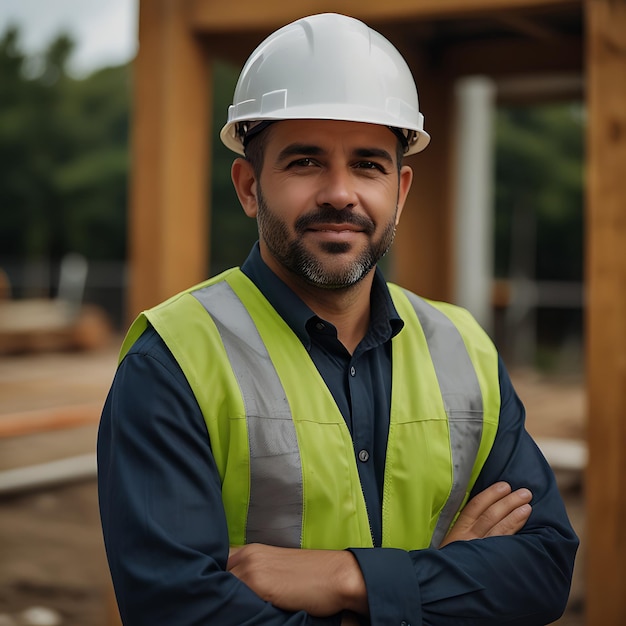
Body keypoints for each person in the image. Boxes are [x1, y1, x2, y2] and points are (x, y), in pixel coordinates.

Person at [97, 12, 578, 626]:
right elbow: (181, 611)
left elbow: (541, 571)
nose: (340, 193)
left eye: (368, 165)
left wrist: (349, 579)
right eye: (304, 162)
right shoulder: (172, 362)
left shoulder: (465, 350)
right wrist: (440, 581)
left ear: (400, 191)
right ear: (248, 186)